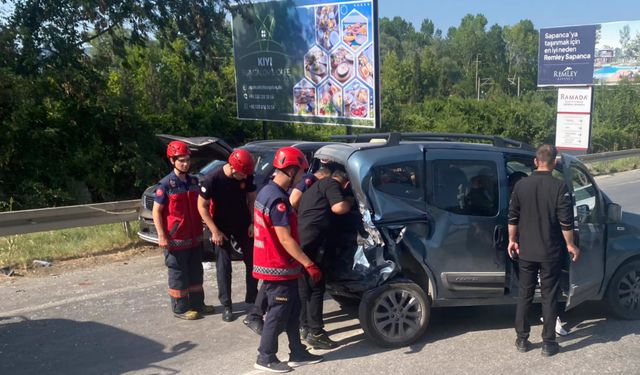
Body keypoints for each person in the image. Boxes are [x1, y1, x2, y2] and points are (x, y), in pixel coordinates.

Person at [252, 146, 324, 373]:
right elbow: (285, 239)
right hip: (278, 265)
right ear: (291, 170)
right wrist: (308, 263)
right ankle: (266, 356)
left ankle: (297, 350)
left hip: (276, 263)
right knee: (278, 312)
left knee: (293, 309)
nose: (303, 177)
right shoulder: (278, 201)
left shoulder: (266, 192)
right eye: (301, 172)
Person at [508, 144, 580, 357]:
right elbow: (566, 222)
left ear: (535, 161)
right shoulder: (559, 186)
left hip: (527, 251)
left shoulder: (521, 186)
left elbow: (513, 217)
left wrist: (512, 240)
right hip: (550, 252)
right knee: (549, 296)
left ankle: (522, 339)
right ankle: (548, 343)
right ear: (555, 162)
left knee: (525, 294)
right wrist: (570, 244)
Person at [243, 165, 331, 335]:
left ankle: (256, 315)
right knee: (280, 294)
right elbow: (293, 201)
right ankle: (266, 343)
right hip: (279, 249)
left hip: (269, 253)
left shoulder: (267, 190)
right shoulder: (307, 182)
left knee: (273, 285)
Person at [152, 140, 215, 320]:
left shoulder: (194, 182)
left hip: (194, 237)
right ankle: (180, 308)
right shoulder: (165, 185)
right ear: (172, 161)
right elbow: (157, 212)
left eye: (187, 160)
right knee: (178, 274)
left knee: (196, 272)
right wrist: (162, 236)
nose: (185, 163)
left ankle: (198, 304)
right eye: (181, 160)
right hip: (176, 239)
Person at [198, 148, 258, 322]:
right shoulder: (212, 180)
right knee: (224, 265)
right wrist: (214, 231)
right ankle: (227, 305)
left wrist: (253, 223)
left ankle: (252, 297)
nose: (245, 177)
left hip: (242, 222)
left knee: (253, 260)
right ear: (232, 168)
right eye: (243, 174)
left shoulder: (246, 175)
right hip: (221, 225)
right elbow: (201, 206)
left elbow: (252, 198)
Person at [297, 169, 352, 349]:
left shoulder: (314, 187)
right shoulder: (331, 184)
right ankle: (317, 333)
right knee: (316, 288)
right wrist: (349, 202)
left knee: (305, 288)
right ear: (346, 184)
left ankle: (304, 327)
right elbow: (339, 208)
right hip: (314, 244)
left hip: (303, 242)